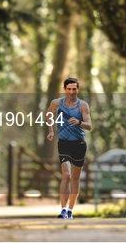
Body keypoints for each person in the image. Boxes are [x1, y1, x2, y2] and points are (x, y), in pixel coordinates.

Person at [46, 77, 92, 219]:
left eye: (74, 89)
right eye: (69, 89)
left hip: (79, 144)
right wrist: (51, 130)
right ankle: (63, 210)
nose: (72, 92)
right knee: (66, 175)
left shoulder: (83, 105)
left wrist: (79, 122)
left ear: (78, 89)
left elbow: (89, 126)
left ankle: (71, 210)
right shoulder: (56, 103)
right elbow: (48, 115)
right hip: (64, 143)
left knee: (75, 178)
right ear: (65, 89)